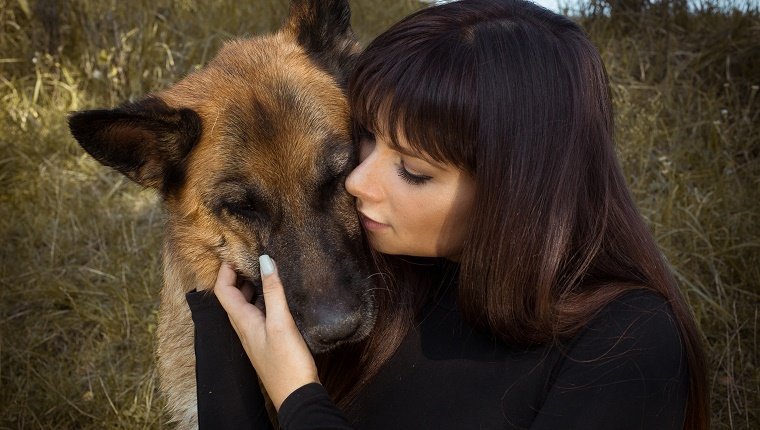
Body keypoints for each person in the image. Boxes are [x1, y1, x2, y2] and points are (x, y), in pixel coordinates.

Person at [186, 0, 709, 428]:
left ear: (519, 186)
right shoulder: (383, 273)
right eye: (363, 141)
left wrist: (299, 398)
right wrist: (219, 314)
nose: (355, 181)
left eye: (412, 170)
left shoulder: (626, 344)